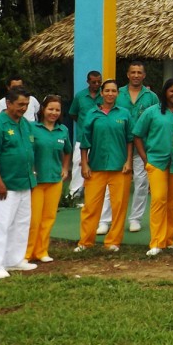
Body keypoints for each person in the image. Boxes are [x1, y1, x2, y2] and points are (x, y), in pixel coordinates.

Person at [0, 88, 37, 278]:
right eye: (20, 104)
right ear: (8, 103)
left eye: (26, 105)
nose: (23, 108)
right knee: (0, 224)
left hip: (25, 182)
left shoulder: (26, 124)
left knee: (21, 223)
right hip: (5, 184)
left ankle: (14, 260)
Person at [74, 80, 133, 253]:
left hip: (119, 167)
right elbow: (84, 142)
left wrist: (129, 161)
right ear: (101, 93)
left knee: (119, 206)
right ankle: (85, 241)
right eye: (107, 90)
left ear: (117, 94)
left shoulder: (124, 114)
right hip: (96, 167)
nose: (110, 94)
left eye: (113, 91)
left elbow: (130, 140)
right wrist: (84, 163)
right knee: (91, 206)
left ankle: (113, 241)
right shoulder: (92, 114)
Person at [134, 80, 173, 256]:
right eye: (172, 91)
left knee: (172, 202)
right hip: (156, 162)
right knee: (158, 199)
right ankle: (156, 242)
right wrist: (145, 158)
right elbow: (137, 135)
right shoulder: (152, 112)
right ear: (165, 92)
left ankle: (169, 239)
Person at [113, 62, 159, 234]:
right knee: (115, 183)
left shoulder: (151, 96)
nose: (136, 75)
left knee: (141, 183)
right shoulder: (118, 94)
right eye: (133, 72)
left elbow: (155, 120)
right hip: (119, 145)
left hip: (142, 145)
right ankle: (106, 219)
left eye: (139, 72)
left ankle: (135, 219)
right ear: (127, 74)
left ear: (144, 75)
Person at [25, 95, 71, 264]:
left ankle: (42, 251)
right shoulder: (31, 128)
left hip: (54, 180)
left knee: (49, 218)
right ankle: (27, 253)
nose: (53, 112)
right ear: (43, 109)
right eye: (50, 109)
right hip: (36, 181)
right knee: (34, 219)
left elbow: (67, 151)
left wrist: (65, 169)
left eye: (57, 110)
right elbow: (25, 150)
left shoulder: (63, 130)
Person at [67, 70, 101, 198]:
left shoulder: (103, 96)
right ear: (88, 82)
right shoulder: (80, 96)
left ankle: (92, 192)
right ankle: (74, 192)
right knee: (77, 162)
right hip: (82, 136)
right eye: (94, 82)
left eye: (99, 82)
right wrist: (84, 124)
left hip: (98, 138)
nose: (97, 84)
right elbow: (73, 113)